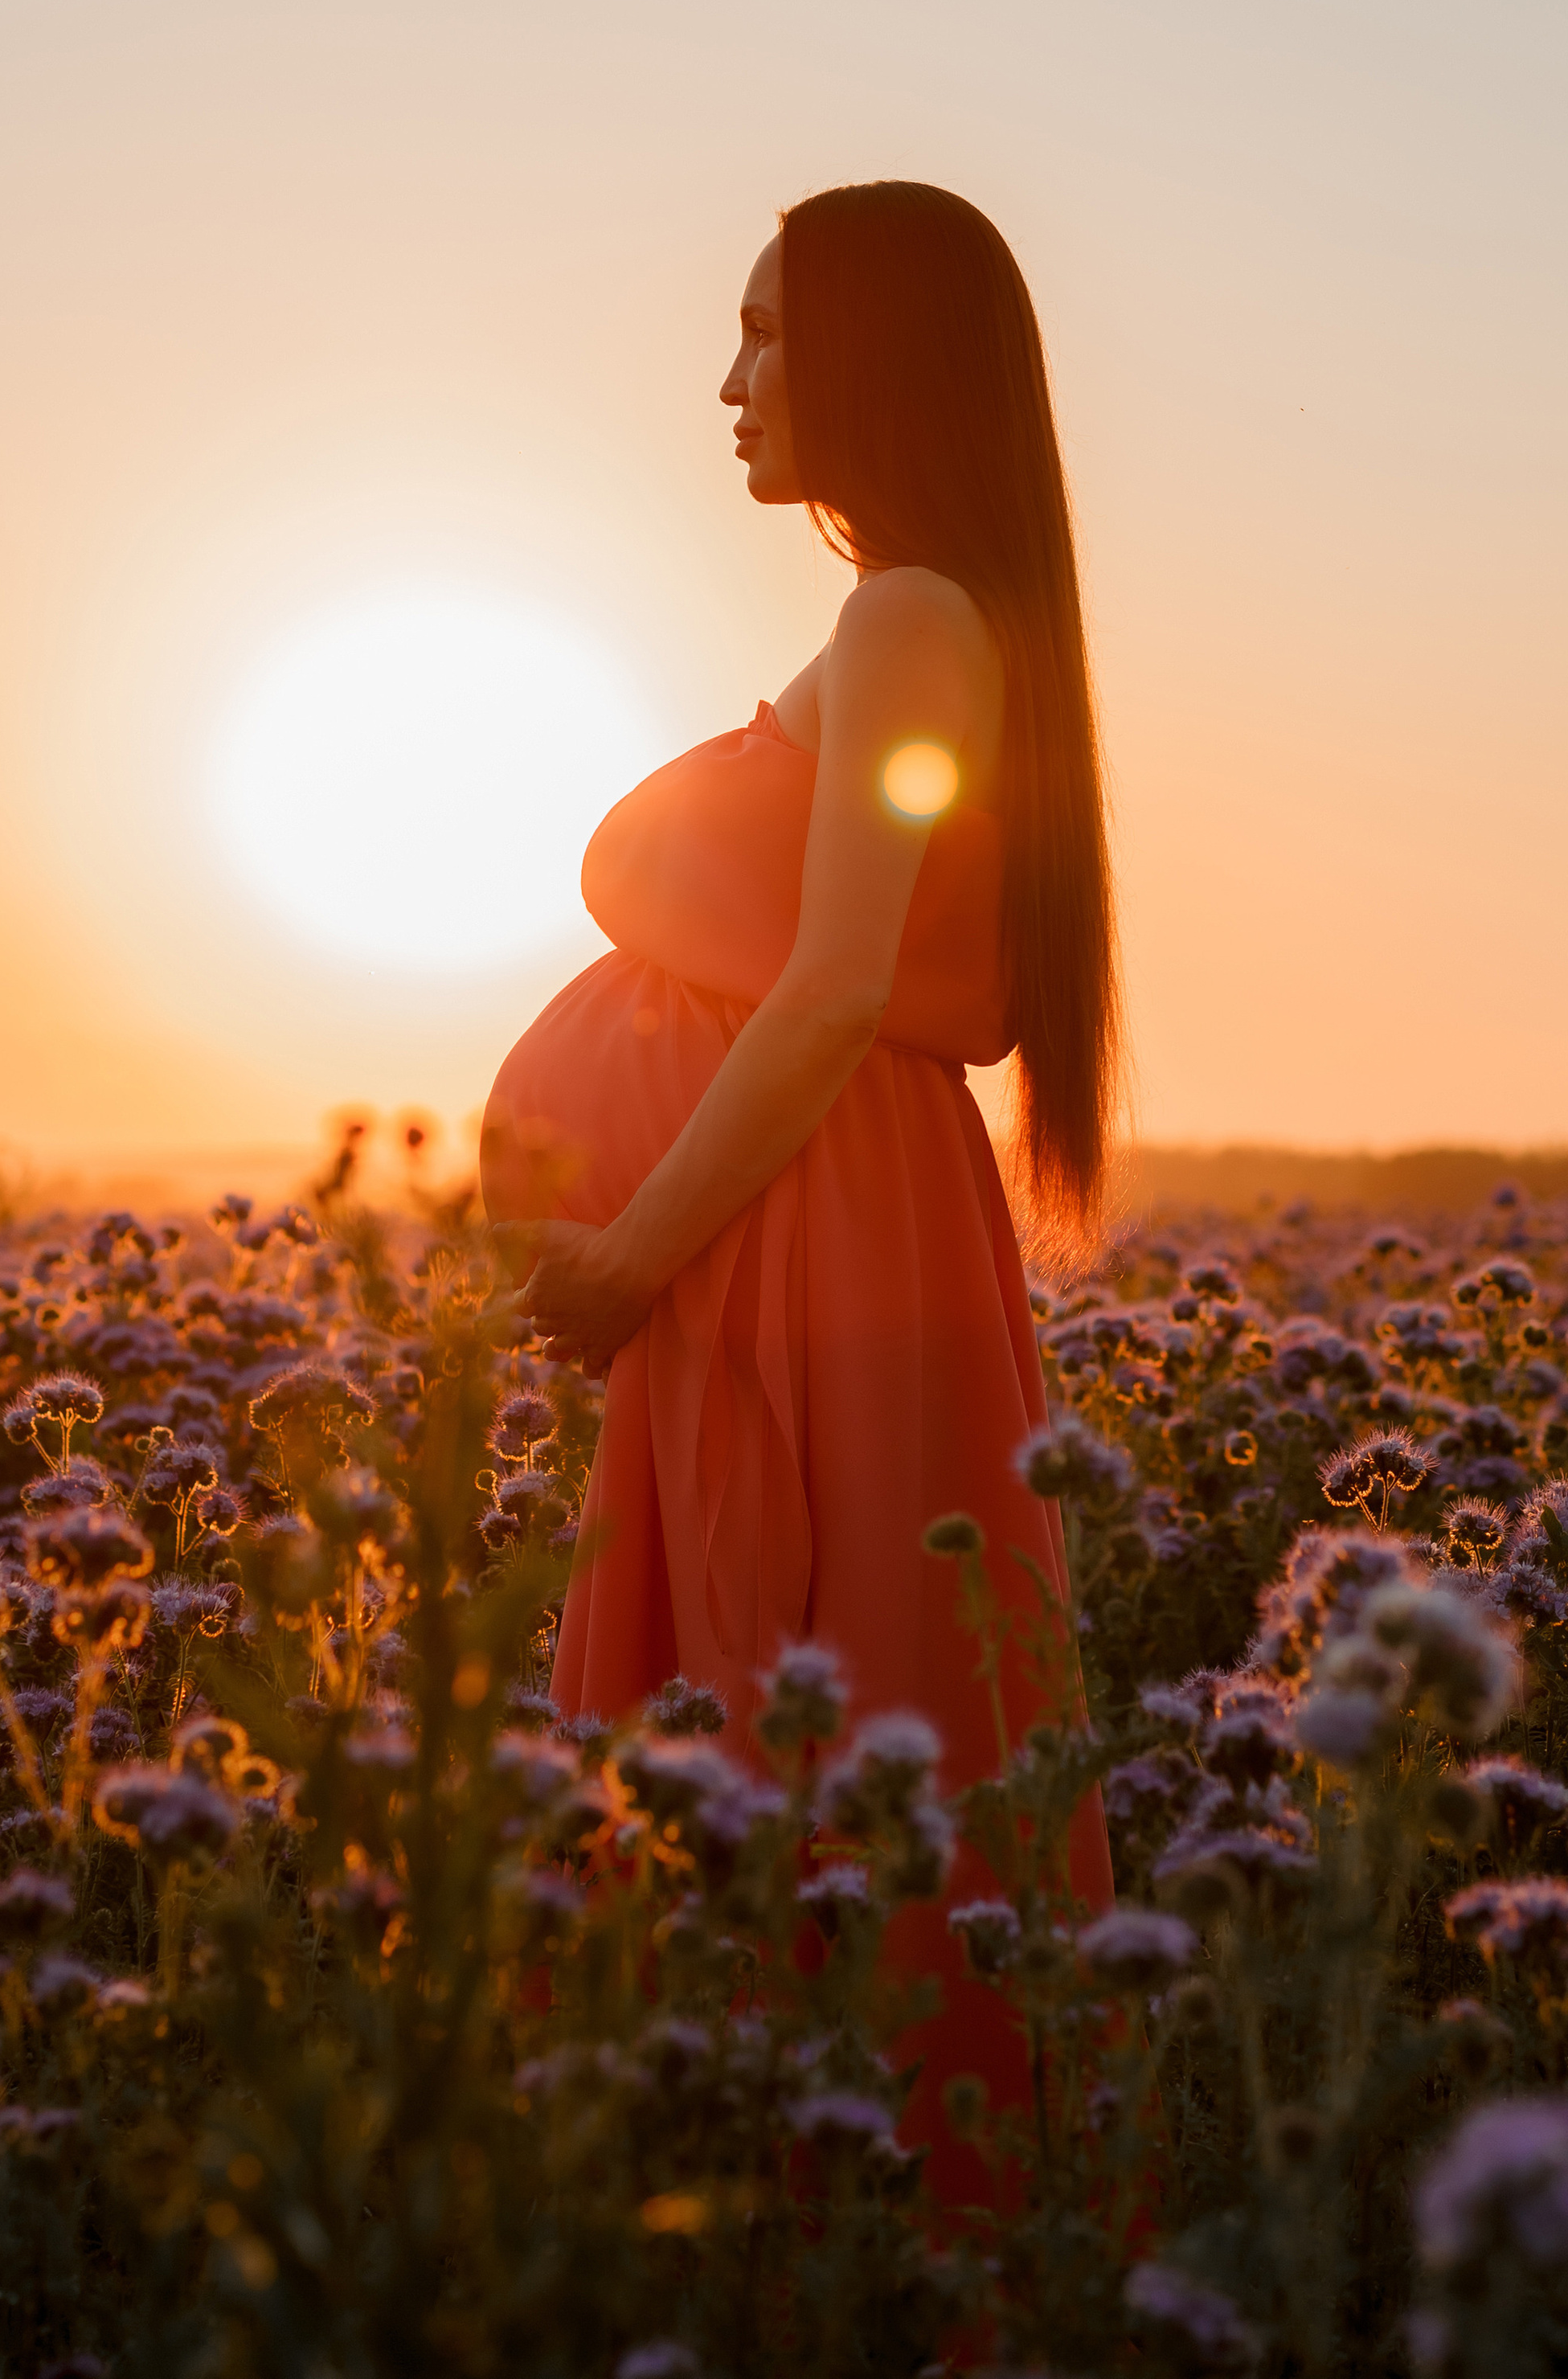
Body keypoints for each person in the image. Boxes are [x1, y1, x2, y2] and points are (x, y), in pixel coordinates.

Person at [481, 178, 1119, 2193]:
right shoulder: (929, 621)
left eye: (766, 333)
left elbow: (841, 983)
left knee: (791, 1712)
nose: (731, 380)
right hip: (785, 1231)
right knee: (788, 1720)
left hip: (791, 1250)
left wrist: (628, 1257)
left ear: (876, 359)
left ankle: (826, 2224)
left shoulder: (908, 619)